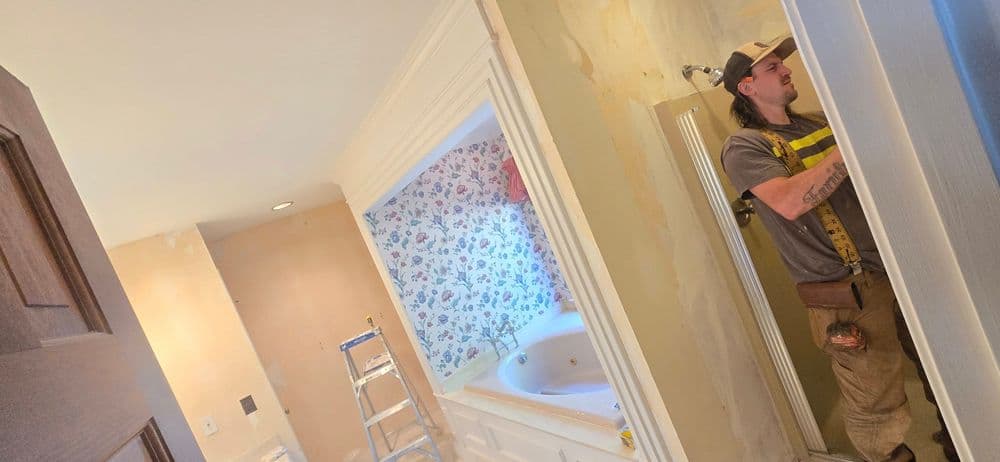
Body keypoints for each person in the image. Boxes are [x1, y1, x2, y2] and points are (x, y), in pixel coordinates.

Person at [719, 34, 959, 462]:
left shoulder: (817, 124)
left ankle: (960, 442)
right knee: (875, 403)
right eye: (772, 67)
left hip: (895, 267)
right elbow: (791, 201)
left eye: (783, 64)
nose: (787, 70)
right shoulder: (745, 146)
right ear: (747, 87)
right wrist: (846, 146)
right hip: (845, 295)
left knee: (940, 364)